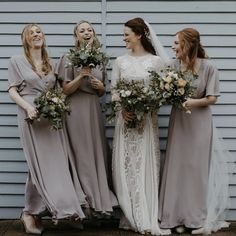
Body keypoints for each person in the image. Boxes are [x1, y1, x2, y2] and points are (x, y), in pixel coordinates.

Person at [7, 24, 86, 234]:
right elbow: (12, 91)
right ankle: (30, 213)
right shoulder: (16, 61)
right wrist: (28, 107)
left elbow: (62, 90)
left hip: (52, 119)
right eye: (31, 33)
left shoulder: (52, 64)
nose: (36, 34)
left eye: (39, 31)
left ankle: (60, 209)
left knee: (58, 163)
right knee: (38, 165)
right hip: (31, 117)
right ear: (25, 39)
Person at [159, 28, 229, 234]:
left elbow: (212, 98)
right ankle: (176, 218)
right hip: (179, 120)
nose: (172, 47)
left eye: (175, 43)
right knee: (177, 168)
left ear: (187, 44)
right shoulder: (172, 66)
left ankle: (196, 220)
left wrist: (192, 102)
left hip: (199, 122)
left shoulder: (208, 67)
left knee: (196, 170)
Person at [111, 17, 170, 235]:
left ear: (138, 35)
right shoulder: (119, 62)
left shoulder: (156, 62)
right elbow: (115, 91)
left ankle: (146, 216)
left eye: (126, 34)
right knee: (126, 166)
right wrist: (122, 109)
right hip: (124, 122)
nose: (124, 38)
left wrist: (148, 106)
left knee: (144, 164)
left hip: (146, 121)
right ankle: (130, 213)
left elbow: (163, 92)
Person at [55, 20, 117, 217]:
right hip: (75, 110)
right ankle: (83, 202)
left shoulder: (99, 58)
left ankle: (98, 202)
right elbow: (65, 89)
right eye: (82, 30)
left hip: (93, 110)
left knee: (94, 151)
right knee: (80, 153)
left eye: (90, 30)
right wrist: (81, 76)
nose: (86, 32)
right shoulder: (68, 57)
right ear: (76, 36)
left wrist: (100, 87)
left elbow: (101, 92)